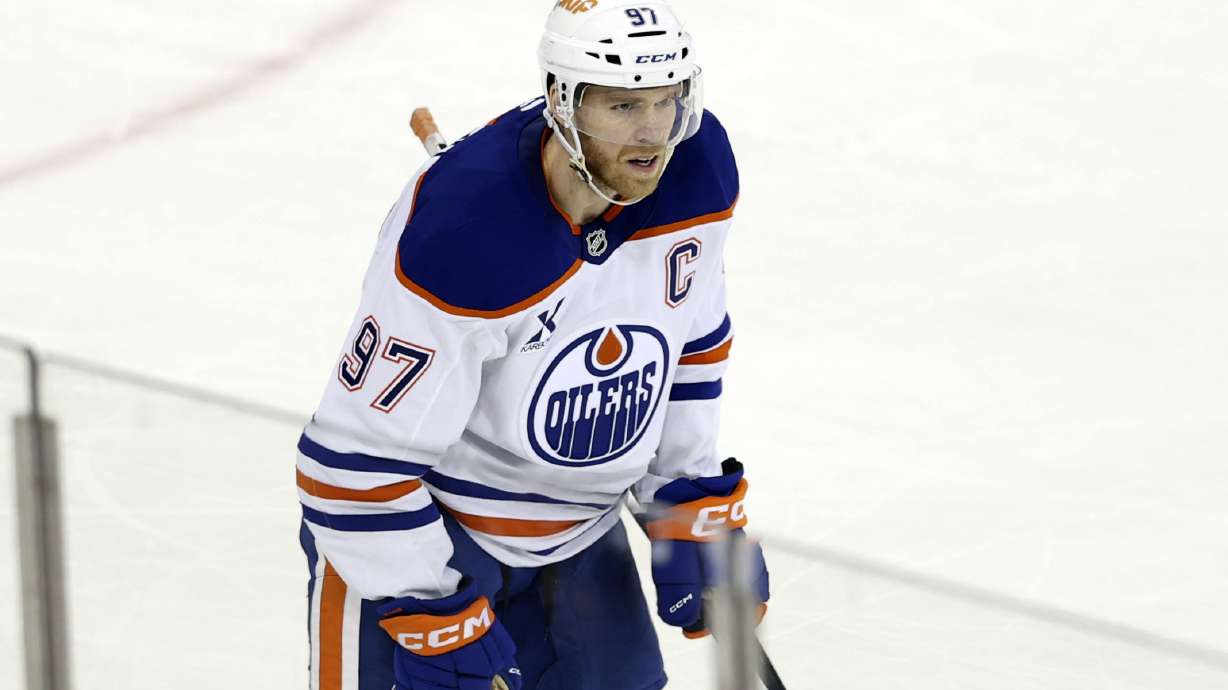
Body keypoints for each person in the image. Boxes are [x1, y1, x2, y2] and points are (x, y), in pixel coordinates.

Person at [295, 2, 769, 688]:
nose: (652, 133)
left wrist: (685, 494)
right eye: (622, 106)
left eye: (668, 101)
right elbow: (350, 468)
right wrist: (431, 609)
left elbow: (687, 348)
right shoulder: (464, 234)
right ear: (561, 102)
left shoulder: (695, 175)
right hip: (419, 537)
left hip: (577, 530)